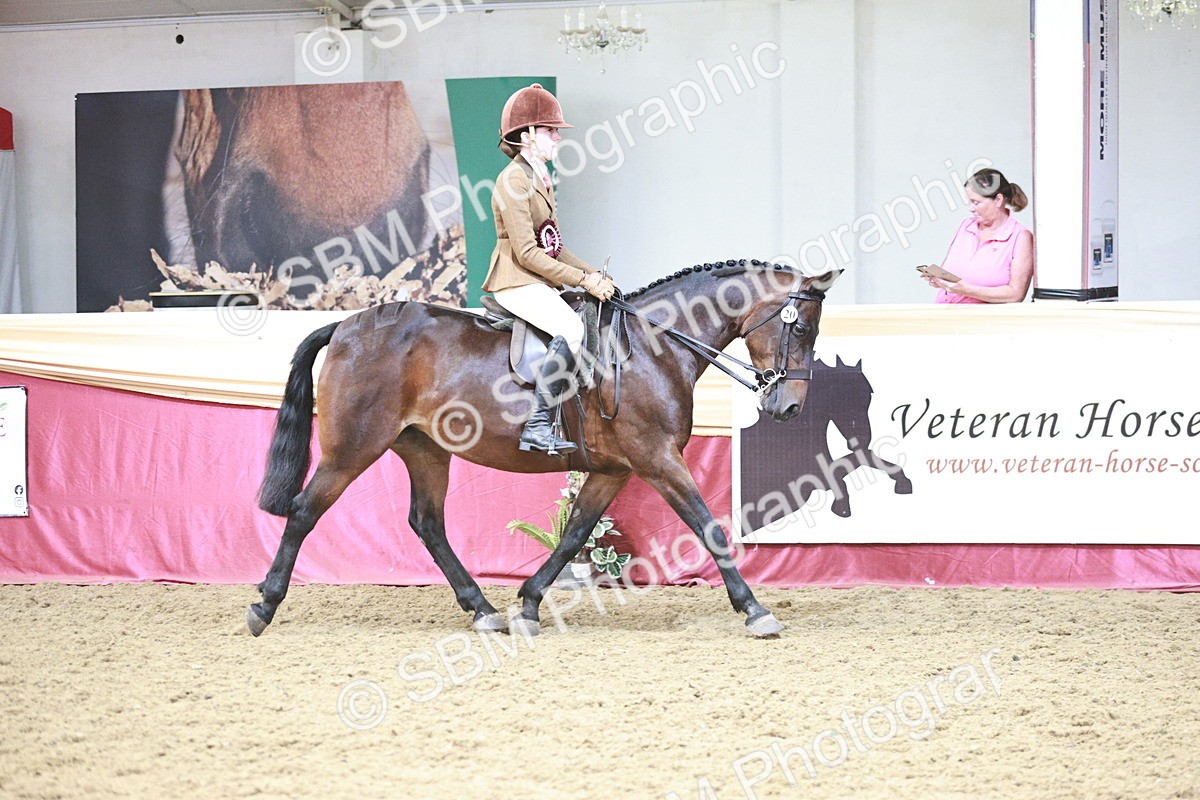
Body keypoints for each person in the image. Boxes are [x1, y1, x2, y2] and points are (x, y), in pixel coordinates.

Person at [483, 83, 615, 455]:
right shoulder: (513, 180)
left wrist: (595, 274)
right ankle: (537, 426)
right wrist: (583, 280)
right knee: (571, 327)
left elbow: (554, 246)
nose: (558, 137)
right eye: (550, 130)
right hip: (516, 279)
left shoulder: (539, 177)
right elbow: (527, 253)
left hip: (536, 277)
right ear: (526, 136)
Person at [922, 168, 1034, 304]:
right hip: (945, 315)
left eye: (976, 202)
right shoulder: (966, 226)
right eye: (969, 202)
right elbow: (949, 269)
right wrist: (939, 279)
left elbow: (1016, 294)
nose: (971, 208)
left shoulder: (1020, 237)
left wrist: (966, 290)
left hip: (983, 322)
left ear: (998, 200)